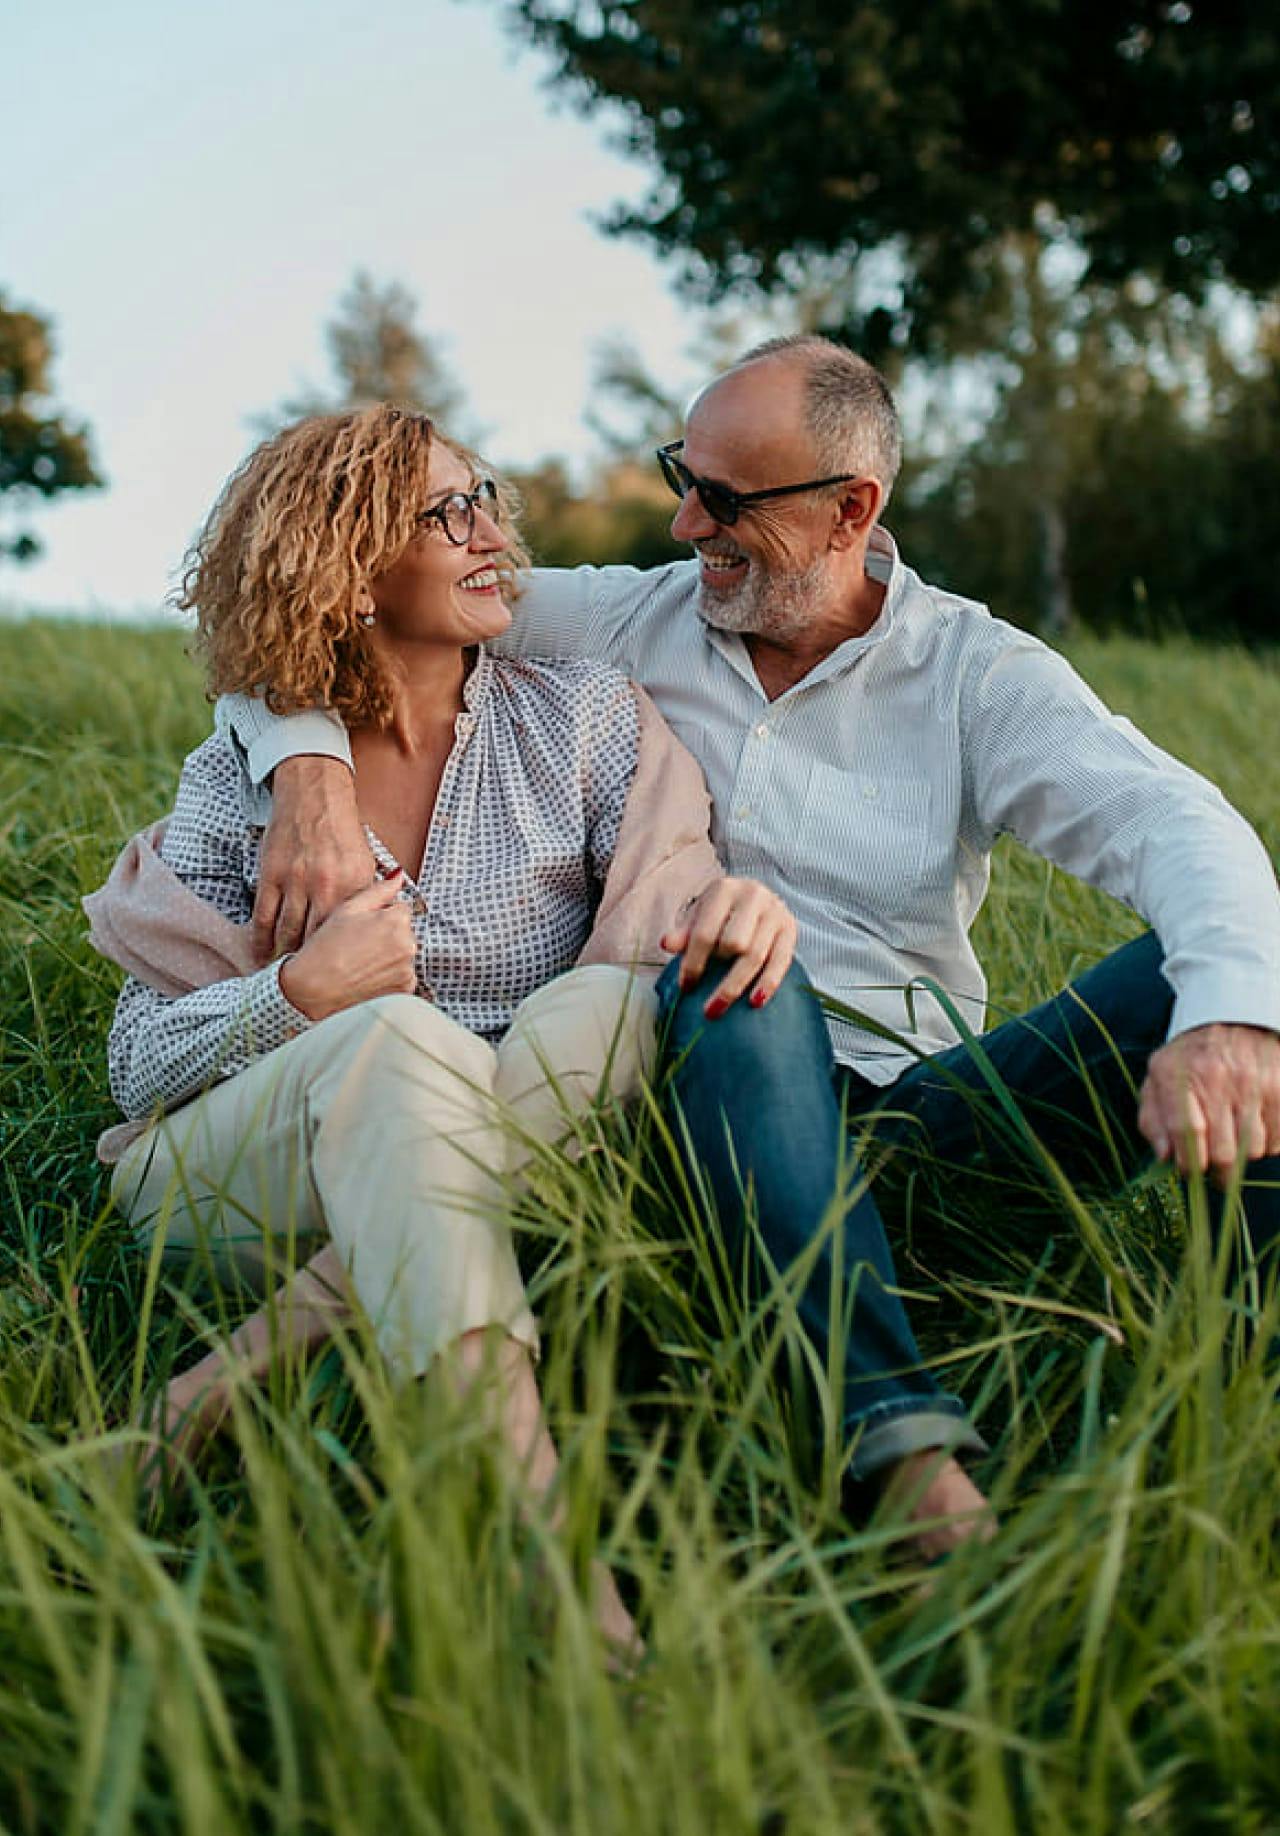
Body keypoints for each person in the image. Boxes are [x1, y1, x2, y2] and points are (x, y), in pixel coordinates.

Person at [219, 337, 1280, 1561]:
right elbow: (311, 603)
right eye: (683, 475)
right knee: (725, 964)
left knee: (1242, 981)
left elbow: (1175, 825)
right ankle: (903, 1468)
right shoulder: (624, 621)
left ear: (850, 510)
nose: (682, 524)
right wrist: (306, 766)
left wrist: (1225, 1023)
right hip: (689, 1124)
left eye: (724, 500)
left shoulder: (972, 674)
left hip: (917, 1129)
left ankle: (1233, 1404)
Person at [88, 403, 796, 1656]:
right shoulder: (238, 781)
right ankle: (549, 1558)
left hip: (479, 1143)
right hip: (242, 1180)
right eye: (444, 514)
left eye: (485, 500)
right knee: (395, 1041)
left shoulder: (576, 720)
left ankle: (250, 1370)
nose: (489, 536)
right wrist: (298, 996)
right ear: (347, 564)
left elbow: (652, 950)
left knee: (622, 998)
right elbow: (137, 1068)